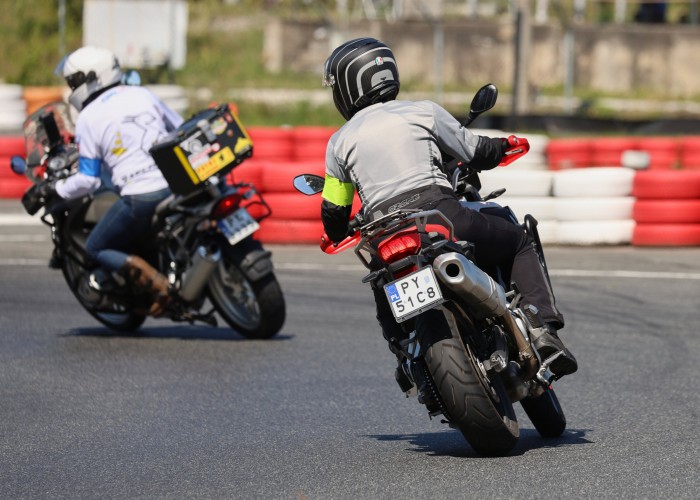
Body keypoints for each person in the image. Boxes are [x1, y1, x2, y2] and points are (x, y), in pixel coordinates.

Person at [319, 37, 577, 379]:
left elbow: (334, 212)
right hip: (441, 217)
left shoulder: (338, 142)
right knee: (518, 239)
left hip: (386, 235)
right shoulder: (421, 111)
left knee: (381, 280)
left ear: (349, 86)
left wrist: (339, 231)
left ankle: (407, 361)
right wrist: (505, 145)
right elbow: (475, 151)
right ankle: (542, 330)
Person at [49, 46, 183, 316]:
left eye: (73, 82)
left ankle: (157, 285)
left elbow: (87, 179)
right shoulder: (142, 93)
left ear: (92, 78)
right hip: (178, 184)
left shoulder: (87, 118)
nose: (71, 88)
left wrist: (58, 188)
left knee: (96, 247)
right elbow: (179, 128)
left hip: (142, 196)